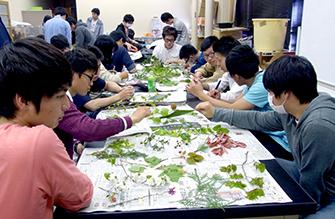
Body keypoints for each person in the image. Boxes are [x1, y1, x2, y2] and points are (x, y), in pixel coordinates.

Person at [196, 55, 335, 218]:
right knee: (256, 164)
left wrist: (298, 211)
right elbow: (258, 119)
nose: (269, 97)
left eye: (270, 92)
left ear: (285, 94)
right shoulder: (291, 110)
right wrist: (216, 113)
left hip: (329, 191)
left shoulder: (318, 125)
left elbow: (312, 183)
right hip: (308, 173)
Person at [0, 37, 93, 218]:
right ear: (23, 100)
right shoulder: (38, 141)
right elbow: (80, 196)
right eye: (59, 96)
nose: (66, 105)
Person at [55, 48, 150, 159]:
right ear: (74, 73)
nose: (91, 83)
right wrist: (132, 119)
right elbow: (88, 128)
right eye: (90, 77)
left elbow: (71, 127)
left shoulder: (68, 96)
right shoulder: (59, 100)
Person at [195, 45, 290, 153]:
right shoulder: (251, 81)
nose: (219, 65)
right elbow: (237, 104)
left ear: (236, 77)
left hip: (275, 140)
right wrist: (218, 98)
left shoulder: (261, 84)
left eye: (220, 60)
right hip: (262, 130)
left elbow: (234, 109)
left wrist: (201, 95)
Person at [72, 46, 134, 118]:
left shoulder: (92, 78)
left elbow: (107, 84)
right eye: (96, 67)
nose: (98, 70)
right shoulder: (78, 83)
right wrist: (119, 96)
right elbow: (91, 105)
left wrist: (121, 90)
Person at [187, 36, 246, 103]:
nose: (217, 64)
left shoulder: (243, 73)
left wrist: (200, 93)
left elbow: (232, 98)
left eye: (219, 60)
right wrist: (200, 85)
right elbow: (219, 85)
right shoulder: (229, 72)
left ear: (230, 57)